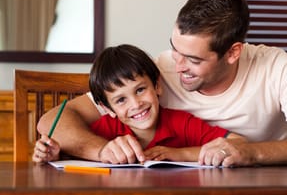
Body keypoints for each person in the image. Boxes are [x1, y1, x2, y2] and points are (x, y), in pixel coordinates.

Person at [35, 0, 287, 167]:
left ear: (233, 53)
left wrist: (250, 153)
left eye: (194, 60)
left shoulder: (276, 67)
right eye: (176, 50)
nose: (178, 67)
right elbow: (51, 122)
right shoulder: (156, 72)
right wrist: (100, 150)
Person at [33, 44, 244, 164]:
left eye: (140, 90)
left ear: (157, 86)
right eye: (121, 100)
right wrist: (53, 154)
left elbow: (239, 143)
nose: (136, 104)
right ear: (107, 109)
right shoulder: (103, 131)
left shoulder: (182, 123)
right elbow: (70, 154)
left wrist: (178, 154)